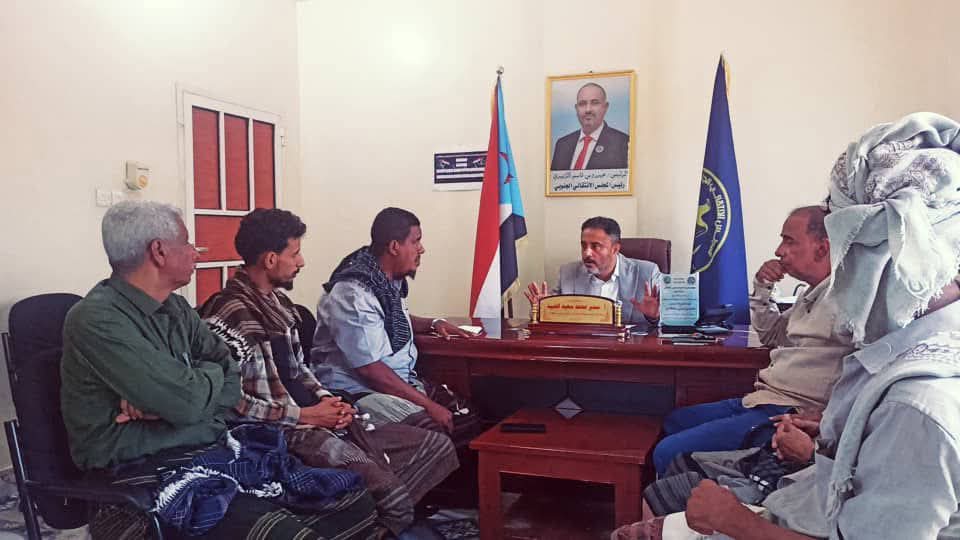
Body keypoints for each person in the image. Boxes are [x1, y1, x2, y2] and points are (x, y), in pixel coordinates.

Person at [615, 112, 960, 539]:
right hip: (790, 463)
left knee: (664, 470)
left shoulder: (916, 402)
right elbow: (778, 339)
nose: (780, 250)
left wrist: (733, 520)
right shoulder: (881, 334)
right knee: (672, 426)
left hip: (781, 425)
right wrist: (830, 433)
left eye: (790, 240)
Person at [61, 201, 377, 539]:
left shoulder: (175, 307)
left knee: (354, 503)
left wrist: (183, 392)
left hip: (205, 449)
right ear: (159, 252)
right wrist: (192, 393)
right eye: (187, 242)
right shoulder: (97, 319)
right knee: (284, 532)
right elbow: (187, 403)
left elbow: (228, 372)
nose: (195, 252)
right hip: (142, 474)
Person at [201, 208, 458, 536]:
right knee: (387, 491)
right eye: (295, 253)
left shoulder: (280, 307)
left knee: (432, 446)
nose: (302, 262)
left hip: (314, 415)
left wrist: (328, 401)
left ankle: (382, 520)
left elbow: (301, 370)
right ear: (270, 259)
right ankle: (379, 524)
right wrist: (307, 415)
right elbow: (231, 404)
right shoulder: (228, 315)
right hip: (283, 432)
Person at [651, 206, 854, 475]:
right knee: (674, 420)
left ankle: (696, 497)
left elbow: (867, 371)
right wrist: (762, 286)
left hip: (790, 410)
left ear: (822, 248)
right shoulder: (810, 294)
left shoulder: (849, 302)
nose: (779, 251)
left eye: (789, 241)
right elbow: (771, 334)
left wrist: (827, 416)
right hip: (763, 398)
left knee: (667, 452)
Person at [310, 207, 480, 446]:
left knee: (467, 417)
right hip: (359, 390)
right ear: (394, 246)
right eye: (416, 241)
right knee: (434, 431)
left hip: (397, 380)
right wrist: (428, 405)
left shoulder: (384, 278)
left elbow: (390, 319)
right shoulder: (353, 293)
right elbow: (371, 371)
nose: (421, 249)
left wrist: (433, 323)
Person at [524, 216, 661, 325]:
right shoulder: (568, 273)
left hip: (627, 349)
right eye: (584, 246)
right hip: (582, 348)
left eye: (596, 246)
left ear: (615, 249)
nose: (587, 253)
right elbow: (552, 318)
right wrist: (541, 310)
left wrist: (654, 316)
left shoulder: (647, 273)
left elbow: (667, 321)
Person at [550, 82, 630, 171]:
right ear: (576, 108)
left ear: (605, 107)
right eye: (582, 104)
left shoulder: (622, 143)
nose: (588, 110)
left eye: (595, 103)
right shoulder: (562, 144)